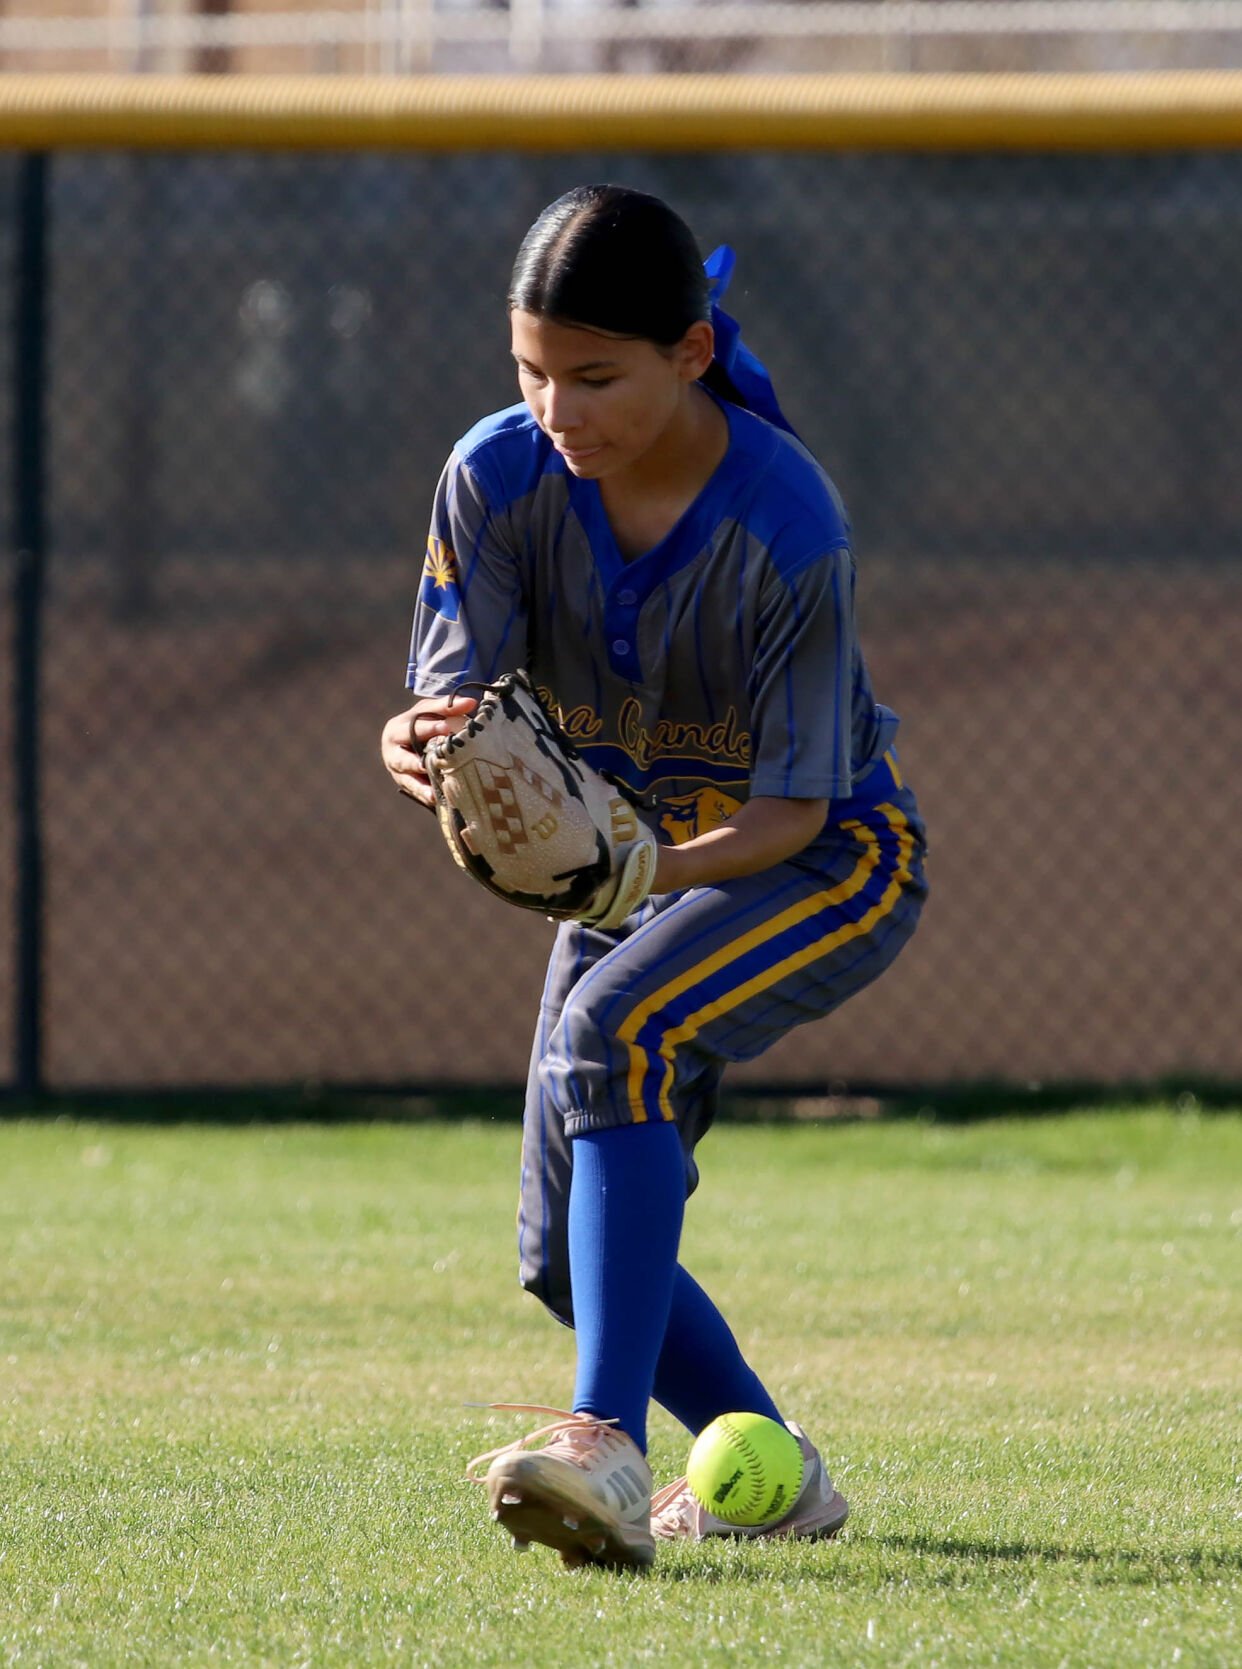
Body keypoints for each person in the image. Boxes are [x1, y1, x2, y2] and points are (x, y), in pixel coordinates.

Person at [380, 184, 928, 1571]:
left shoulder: (782, 516)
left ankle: (602, 1444)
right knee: (563, 1259)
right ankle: (771, 1468)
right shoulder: (495, 477)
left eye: (593, 374)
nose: (555, 405)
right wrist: (422, 742)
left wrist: (643, 866)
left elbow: (794, 809)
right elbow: (462, 706)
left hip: (820, 860)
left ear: (689, 354)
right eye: (530, 368)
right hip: (633, 875)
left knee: (613, 1029)